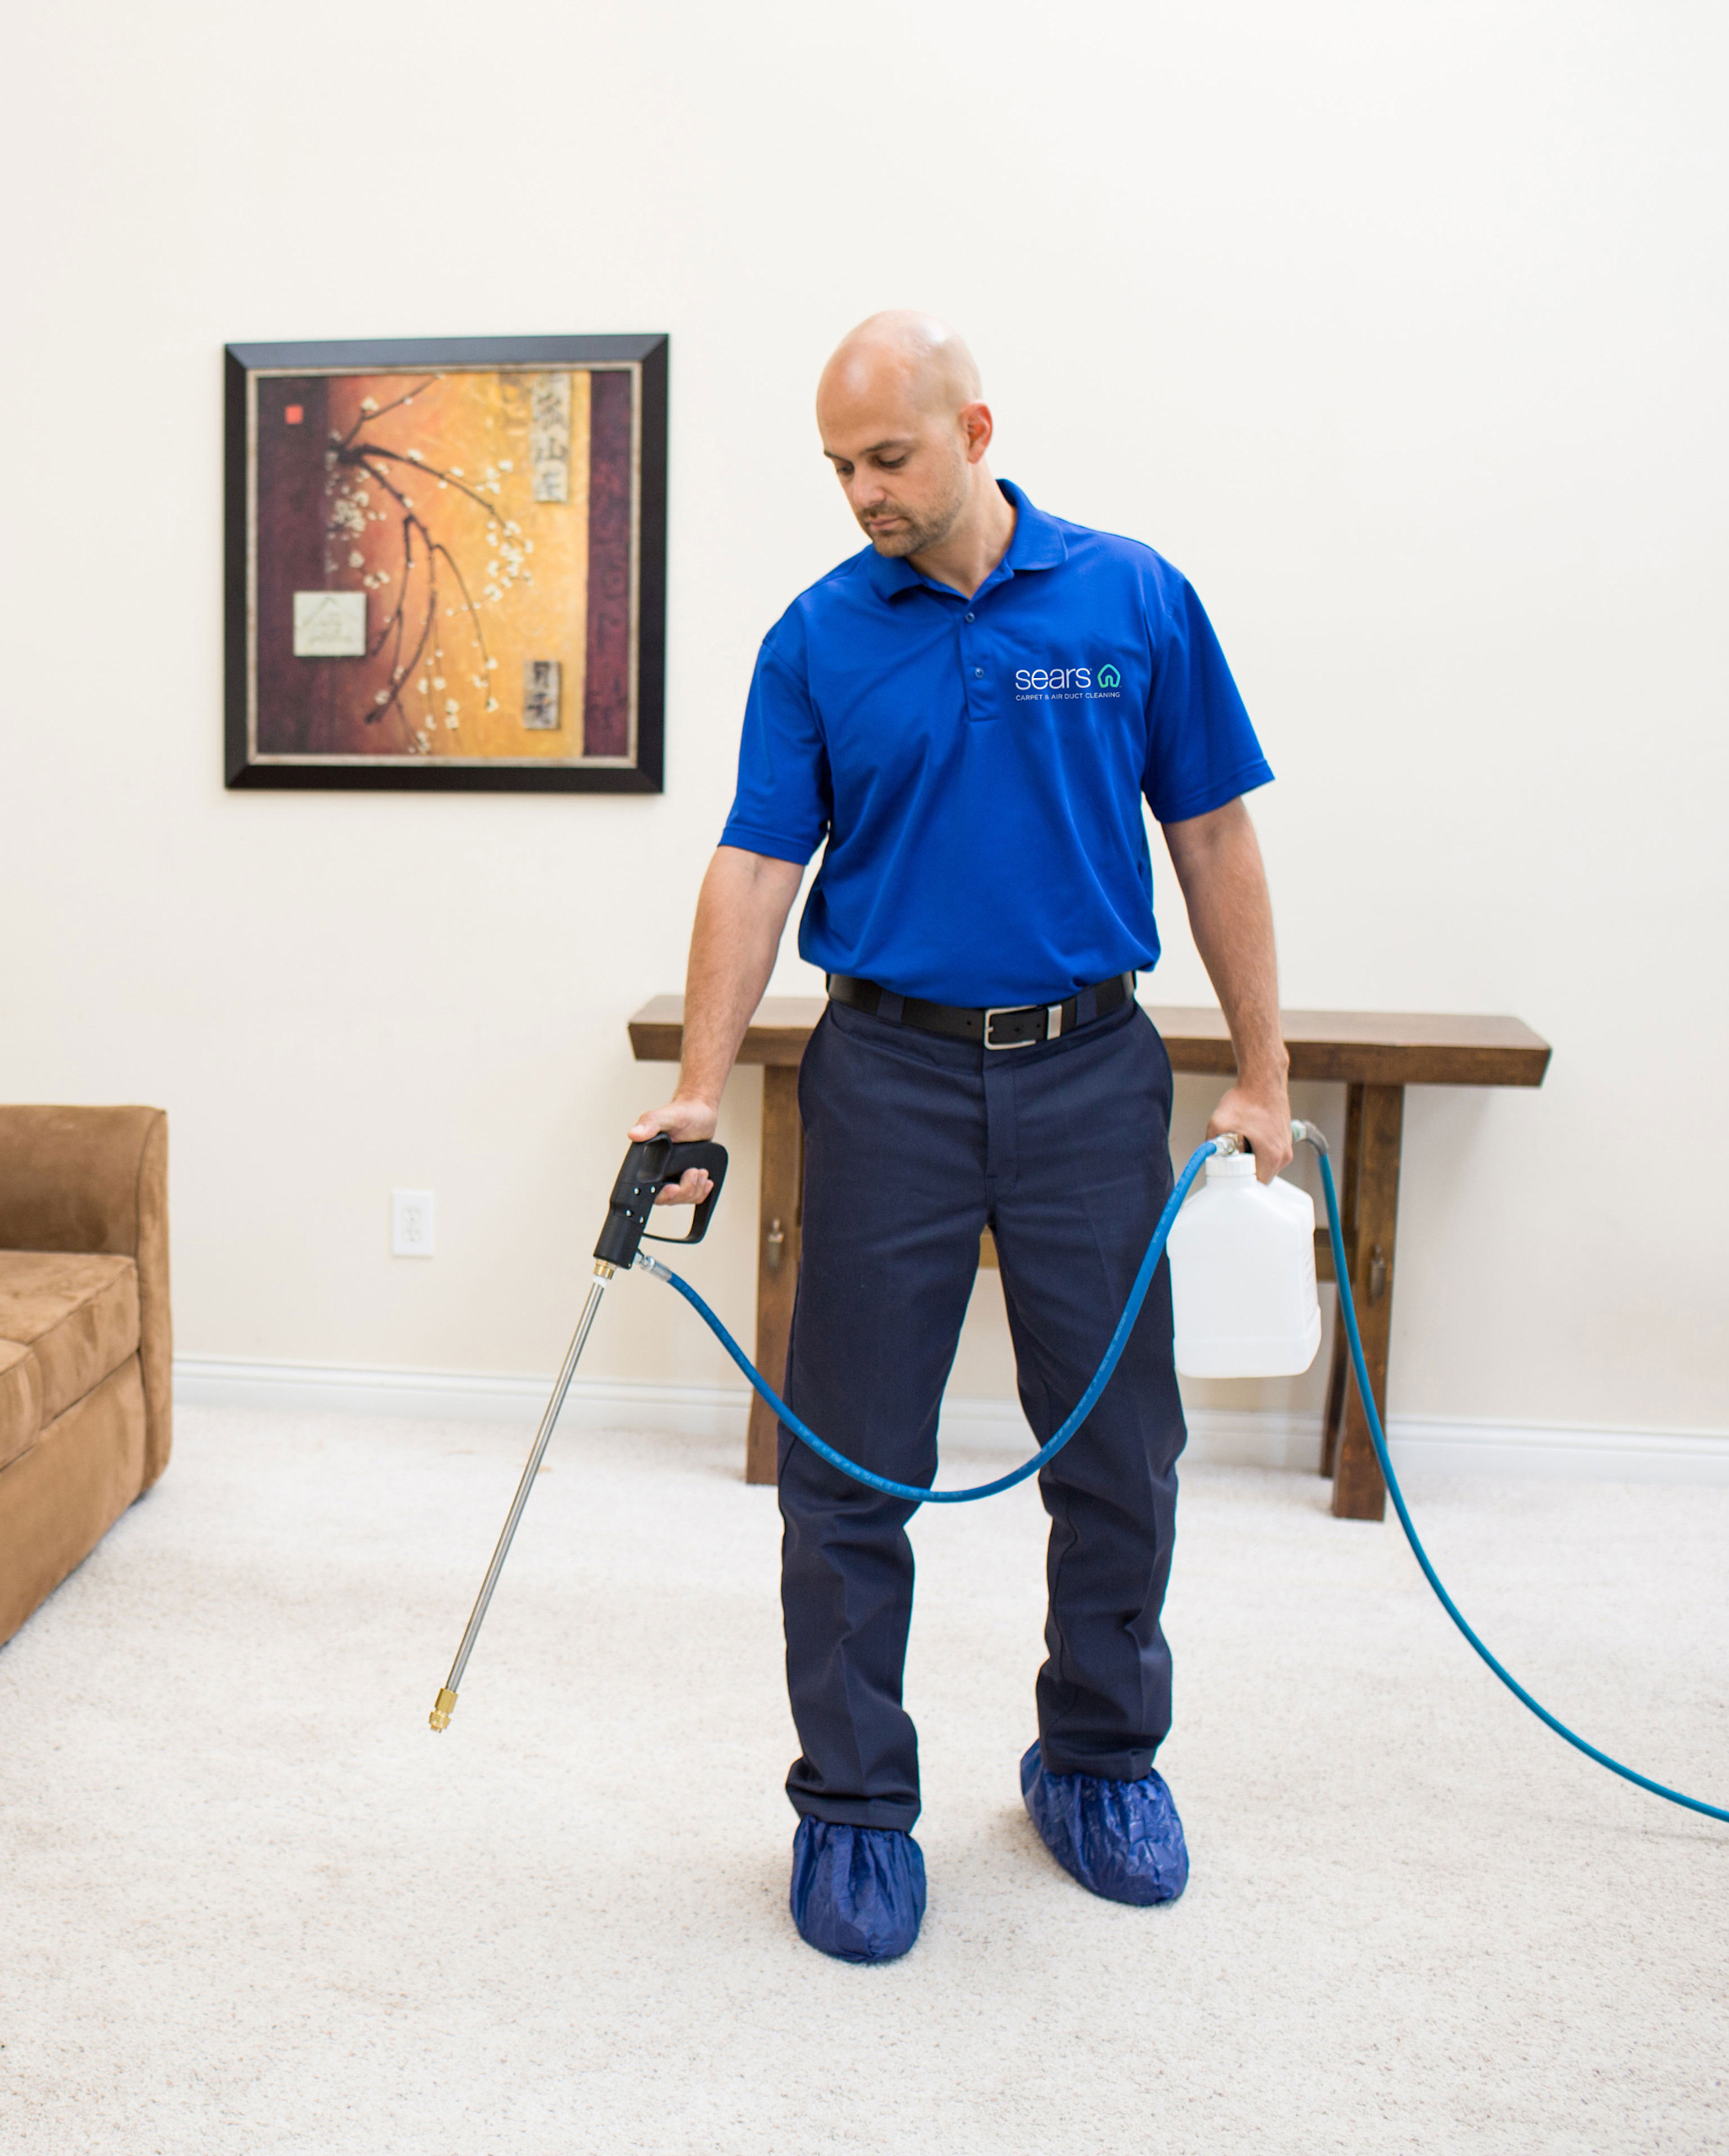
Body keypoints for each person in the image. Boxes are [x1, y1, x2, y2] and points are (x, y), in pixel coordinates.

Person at [630, 312, 1290, 1966]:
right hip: (888, 1074)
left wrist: (1264, 1075)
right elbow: (755, 866)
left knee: (1120, 1445)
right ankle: (852, 1803)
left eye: (890, 457)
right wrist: (703, 1087)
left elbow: (1210, 833)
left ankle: (1096, 1756)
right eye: (840, 467)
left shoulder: (1133, 597)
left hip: (1088, 1073)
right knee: (850, 1453)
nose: (863, 492)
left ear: (976, 425)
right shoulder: (818, 638)